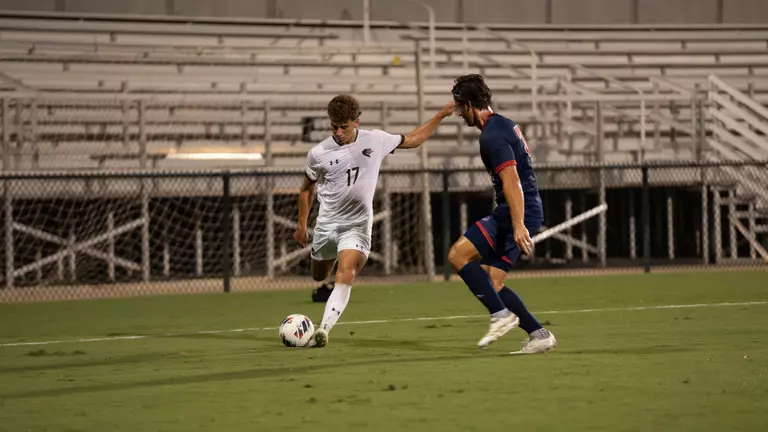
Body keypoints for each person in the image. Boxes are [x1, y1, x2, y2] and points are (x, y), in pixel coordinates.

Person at [294, 94, 455, 348]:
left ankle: (323, 329)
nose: (338, 131)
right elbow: (306, 189)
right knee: (318, 276)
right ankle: (332, 257)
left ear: (356, 122)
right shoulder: (318, 153)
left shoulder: (376, 139)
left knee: (346, 272)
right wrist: (302, 224)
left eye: (343, 126)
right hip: (327, 224)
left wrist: (440, 116)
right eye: (333, 126)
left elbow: (413, 140)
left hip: (357, 225)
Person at [446, 74, 556, 354]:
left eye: (460, 107)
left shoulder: (491, 135)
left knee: (458, 256)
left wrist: (518, 224)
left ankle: (500, 315)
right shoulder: (503, 124)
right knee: (491, 281)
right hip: (525, 207)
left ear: (470, 105)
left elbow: (511, 179)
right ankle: (538, 333)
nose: (459, 114)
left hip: (517, 208)